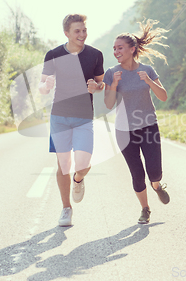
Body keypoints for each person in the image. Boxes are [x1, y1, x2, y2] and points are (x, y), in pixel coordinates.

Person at [39, 14, 104, 227]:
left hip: (84, 117)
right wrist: (46, 86)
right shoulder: (54, 54)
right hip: (59, 116)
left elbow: (101, 83)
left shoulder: (95, 55)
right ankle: (66, 208)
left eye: (84, 30)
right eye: (77, 31)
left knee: (83, 164)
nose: (82, 34)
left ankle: (78, 180)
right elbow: (42, 88)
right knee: (64, 165)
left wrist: (97, 87)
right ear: (66, 33)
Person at [103, 19, 170, 224]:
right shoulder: (112, 73)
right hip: (124, 131)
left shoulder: (148, 70)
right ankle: (145, 208)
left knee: (155, 173)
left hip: (148, 126)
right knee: (137, 174)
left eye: (120, 48)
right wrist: (113, 84)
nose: (116, 51)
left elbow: (164, 96)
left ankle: (157, 186)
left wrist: (148, 81)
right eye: (114, 48)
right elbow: (108, 104)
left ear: (132, 49)